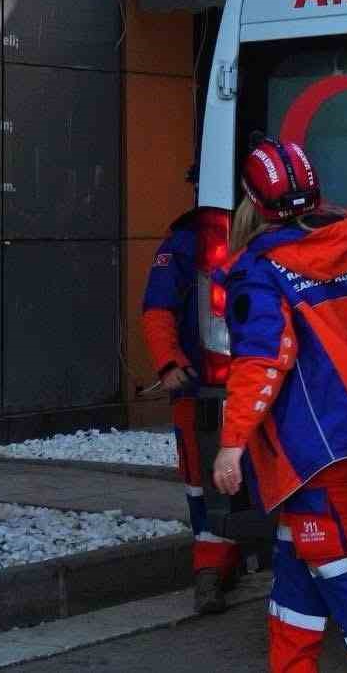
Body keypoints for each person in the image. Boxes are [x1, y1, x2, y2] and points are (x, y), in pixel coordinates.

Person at [211, 137, 347, 673]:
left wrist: (232, 444)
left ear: (252, 202)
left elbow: (262, 360)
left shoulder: (260, 271)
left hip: (321, 452)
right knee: (298, 565)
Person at [140, 207, 241, 613]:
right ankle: (210, 569)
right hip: (201, 384)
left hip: (243, 381)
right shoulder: (184, 243)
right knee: (201, 479)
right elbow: (157, 308)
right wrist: (169, 363)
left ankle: (224, 561)